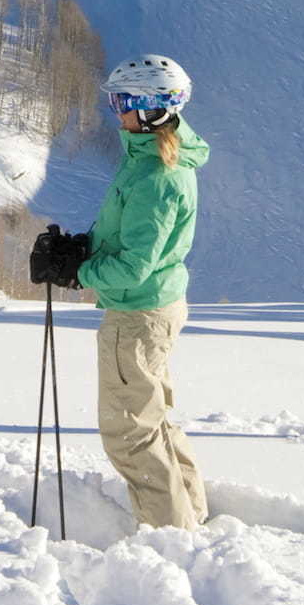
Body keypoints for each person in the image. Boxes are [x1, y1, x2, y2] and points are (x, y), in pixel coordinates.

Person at [30, 52, 209, 531]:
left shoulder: (156, 176)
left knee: (130, 433)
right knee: (151, 419)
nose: (116, 112)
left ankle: (172, 534)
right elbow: (129, 237)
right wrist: (81, 247)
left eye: (123, 102)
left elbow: (134, 266)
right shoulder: (148, 159)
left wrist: (77, 273)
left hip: (139, 315)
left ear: (153, 108)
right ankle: (189, 519)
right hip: (151, 308)